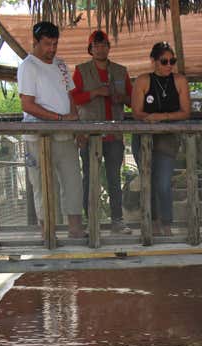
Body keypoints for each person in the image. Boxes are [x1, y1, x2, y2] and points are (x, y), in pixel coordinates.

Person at [18, 21, 84, 239]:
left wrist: (75, 124)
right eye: (47, 44)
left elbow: (70, 96)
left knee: (73, 181)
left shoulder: (61, 64)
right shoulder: (28, 66)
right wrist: (59, 118)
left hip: (66, 135)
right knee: (43, 185)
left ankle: (75, 229)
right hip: (39, 137)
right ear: (35, 42)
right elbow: (27, 104)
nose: (52, 49)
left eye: (55, 44)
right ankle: (47, 233)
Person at [71, 30, 133, 235]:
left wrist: (120, 97)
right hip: (89, 134)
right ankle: (92, 221)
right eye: (96, 45)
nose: (100, 48)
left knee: (115, 178)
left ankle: (117, 220)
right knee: (90, 178)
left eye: (104, 44)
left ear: (109, 47)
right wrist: (96, 93)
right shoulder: (80, 71)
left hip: (114, 134)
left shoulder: (121, 71)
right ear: (90, 49)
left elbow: (132, 101)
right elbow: (73, 99)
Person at [130, 42, 191, 237]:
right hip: (144, 140)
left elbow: (185, 112)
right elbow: (137, 112)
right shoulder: (143, 80)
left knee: (163, 182)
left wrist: (161, 117)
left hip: (167, 140)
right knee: (148, 181)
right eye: (164, 61)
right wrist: (151, 119)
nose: (169, 65)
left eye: (172, 61)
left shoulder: (180, 81)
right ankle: (151, 222)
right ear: (154, 61)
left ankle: (166, 223)